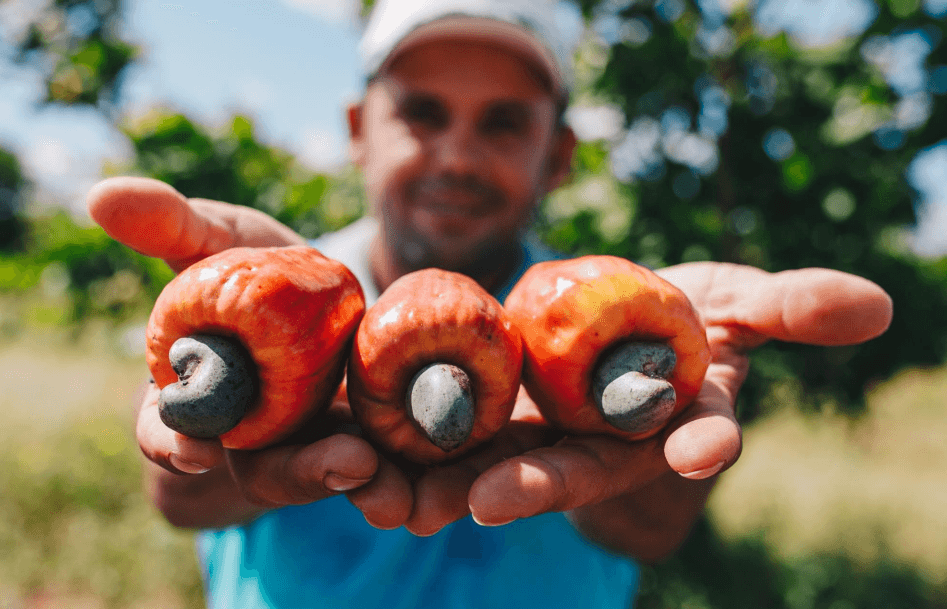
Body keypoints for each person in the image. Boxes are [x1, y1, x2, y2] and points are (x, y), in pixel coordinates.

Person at [86, 0, 894, 607]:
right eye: (421, 113)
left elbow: (649, 532)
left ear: (559, 156)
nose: (458, 156)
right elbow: (179, 497)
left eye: (504, 124)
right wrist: (244, 416)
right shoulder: (259, 283)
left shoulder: (617, 306)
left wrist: (662, 414)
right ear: (359, 128)